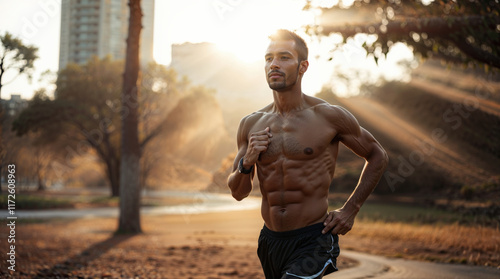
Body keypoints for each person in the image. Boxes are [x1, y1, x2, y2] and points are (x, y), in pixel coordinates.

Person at [227, 29, 389, 279]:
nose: (274, 64)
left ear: (303, 66)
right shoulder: (251, 124)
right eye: (269, 58)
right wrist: (247, 162)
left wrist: (350, 209)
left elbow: (377, 154)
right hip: (270, 241)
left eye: (284, 57)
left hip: (314, 239)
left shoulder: (328, 116)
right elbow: (238, 192)